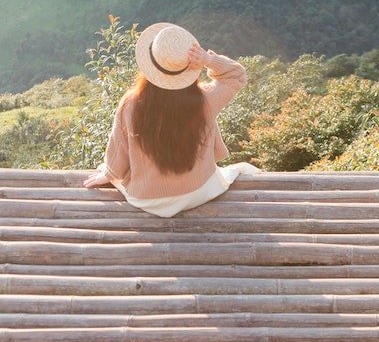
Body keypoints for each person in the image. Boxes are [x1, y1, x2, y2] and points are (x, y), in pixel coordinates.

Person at [81, 22, 257, 217]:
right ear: (188, 69)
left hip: (149, 200)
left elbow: (118, 152)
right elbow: (237, 76)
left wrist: (108, 174)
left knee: (112, 173)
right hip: (199, 192)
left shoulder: (131, 104)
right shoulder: (206, 100)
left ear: (149, 65)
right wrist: (207, 59)